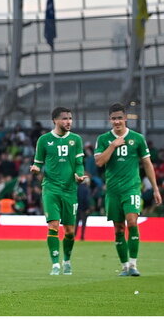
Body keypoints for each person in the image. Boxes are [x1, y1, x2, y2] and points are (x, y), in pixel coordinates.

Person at [94, 103, 161, 277]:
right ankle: (124, 266)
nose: (117, 121)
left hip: (131, 188)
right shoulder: (103, 139)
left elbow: (147, 163)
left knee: (132, 222)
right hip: (113, 191)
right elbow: (99, 162)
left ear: (125, 118)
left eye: (120, 118)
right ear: (110, 120)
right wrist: (113, 145)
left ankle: (133, 264)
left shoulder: (137, 138)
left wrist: (155, 189)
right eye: (114, 118)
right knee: (118, 229)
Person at [30, 106, 86, 275]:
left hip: (70, 190)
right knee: (53, 225)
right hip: (51, 188)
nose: (68, 121)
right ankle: (55, 264)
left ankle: (67, 260)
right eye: (64, 118)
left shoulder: (76, 139)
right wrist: (35, 169)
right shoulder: (44, 140)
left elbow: (79, 163)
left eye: (70, 118)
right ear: (55, 120)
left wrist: (79, 175)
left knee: (69, 231)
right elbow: (38, 163)